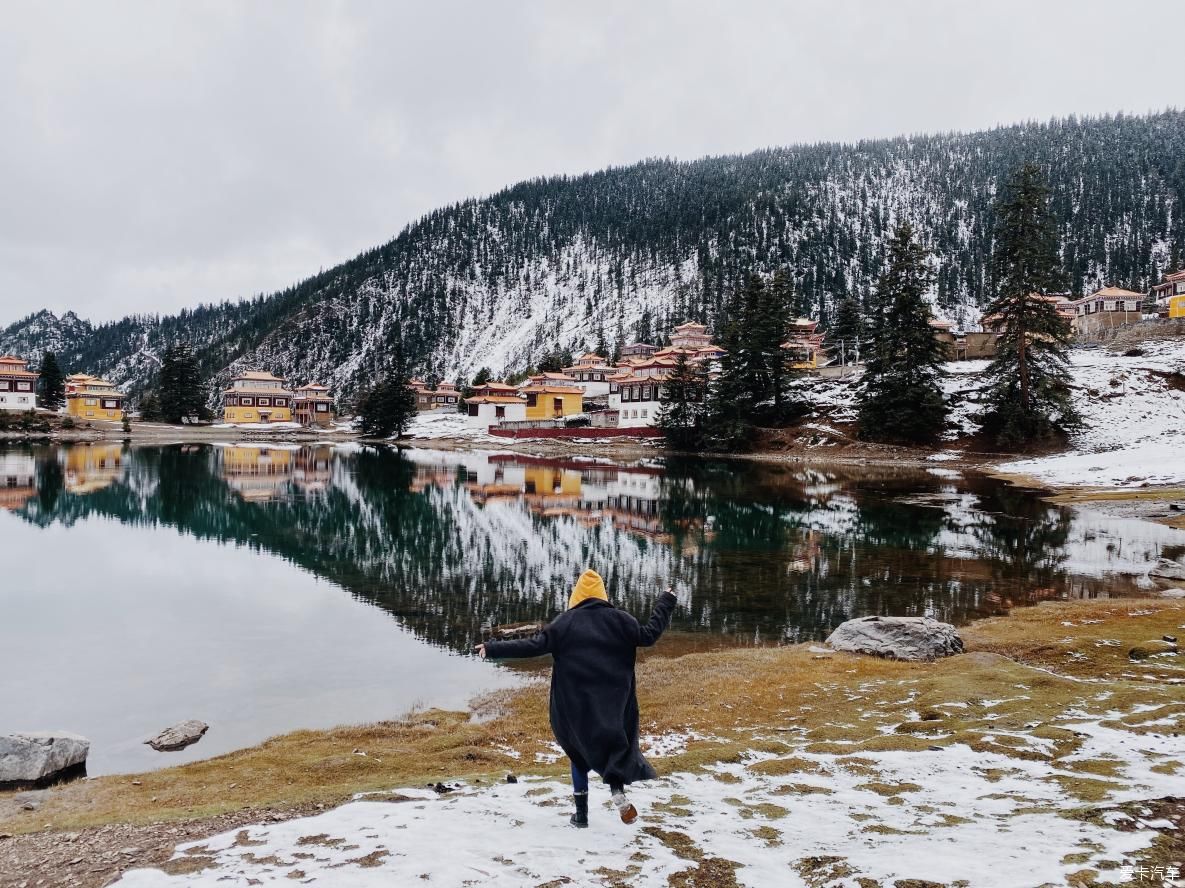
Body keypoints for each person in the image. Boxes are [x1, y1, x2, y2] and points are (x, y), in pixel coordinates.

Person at [475, 569, 677, 828]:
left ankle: (581, 815)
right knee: (614, 747)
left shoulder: (564, 624)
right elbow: (649, 634)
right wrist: (666, 601)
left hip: (575, 706)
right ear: (603, 595)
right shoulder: (622, 621)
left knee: (578, 753)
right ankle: (617, 790)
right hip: (613, 703)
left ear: (577, 596)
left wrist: (492, 648)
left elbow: (532, 646)